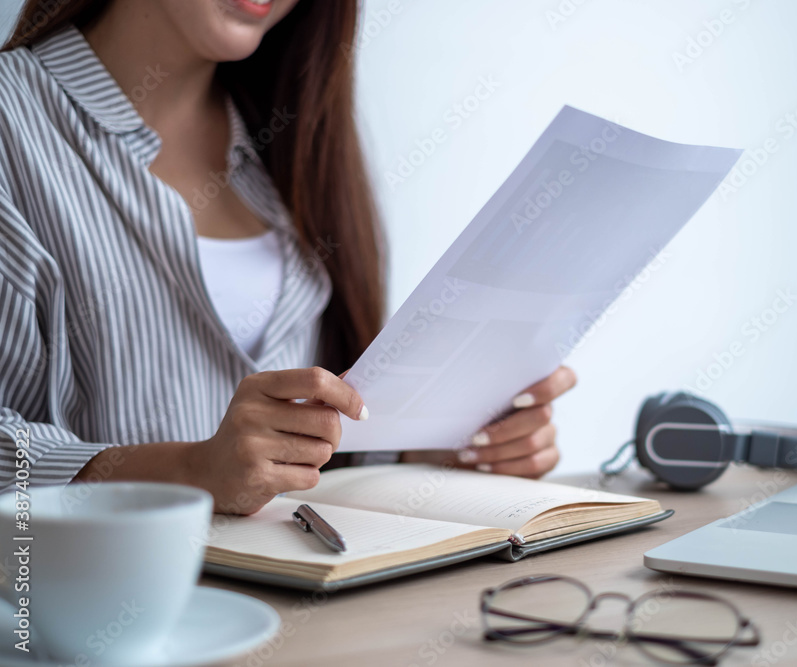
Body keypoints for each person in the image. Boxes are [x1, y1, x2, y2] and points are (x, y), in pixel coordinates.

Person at [0, 0, 576, 515]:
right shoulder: (14, 125)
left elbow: (299, 465)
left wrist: (434, 446)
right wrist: (191, 472)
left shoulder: (290, 141)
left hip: (307, 616)